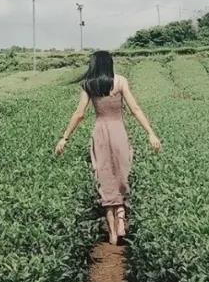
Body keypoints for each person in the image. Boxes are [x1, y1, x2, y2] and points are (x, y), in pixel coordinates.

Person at [55, 51, 162, 245]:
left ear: (94, 65)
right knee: (122, 171)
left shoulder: (89, 85)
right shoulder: (120, 82)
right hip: (118, 131)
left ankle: (112, 231)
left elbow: (79, 114)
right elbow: (135, 109)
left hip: (101, 133)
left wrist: (64, 138)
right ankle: (122, 215)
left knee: (104, 176)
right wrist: (150, 133)